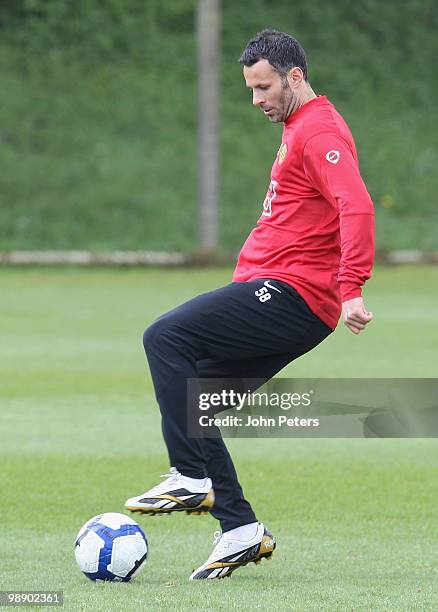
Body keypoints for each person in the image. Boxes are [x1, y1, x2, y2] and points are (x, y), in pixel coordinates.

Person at [125, 29, 375, 580]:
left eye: (263, 87)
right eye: (250, 89)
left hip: (294, 294)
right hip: (289, 295)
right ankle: (240, 530)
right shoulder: (298, 126)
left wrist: (352, 285)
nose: (256, 99)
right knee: (196, 406)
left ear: (294, 76)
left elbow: (356, 205)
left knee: (164, 336)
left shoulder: (319, 131)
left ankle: (191, 478)